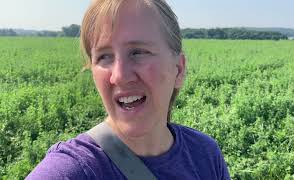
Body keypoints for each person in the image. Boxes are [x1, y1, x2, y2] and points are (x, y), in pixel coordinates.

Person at [27, 0, 230, 179]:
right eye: (104, 56)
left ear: (178, 70)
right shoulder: (73, 169)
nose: (119, 76)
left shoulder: (204, 154)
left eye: (138, 52)